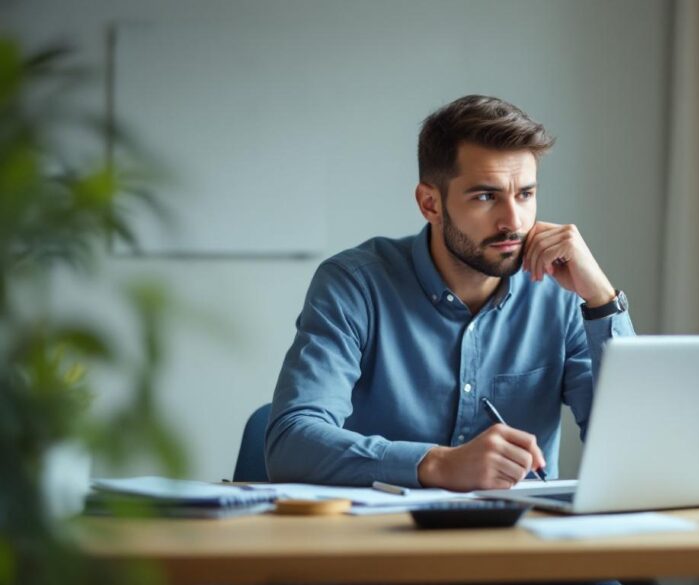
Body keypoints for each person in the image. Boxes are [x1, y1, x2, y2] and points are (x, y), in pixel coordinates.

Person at [265, 95, 635, 491]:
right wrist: (436, 464)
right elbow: (291, 442)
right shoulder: (355, 285)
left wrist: (600, 299)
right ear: (430, 203)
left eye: (525, 194)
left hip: (522, 540)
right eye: (485, 196)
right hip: (384, 540)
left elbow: (636, 449)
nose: (513, 221)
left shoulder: (561, 294)